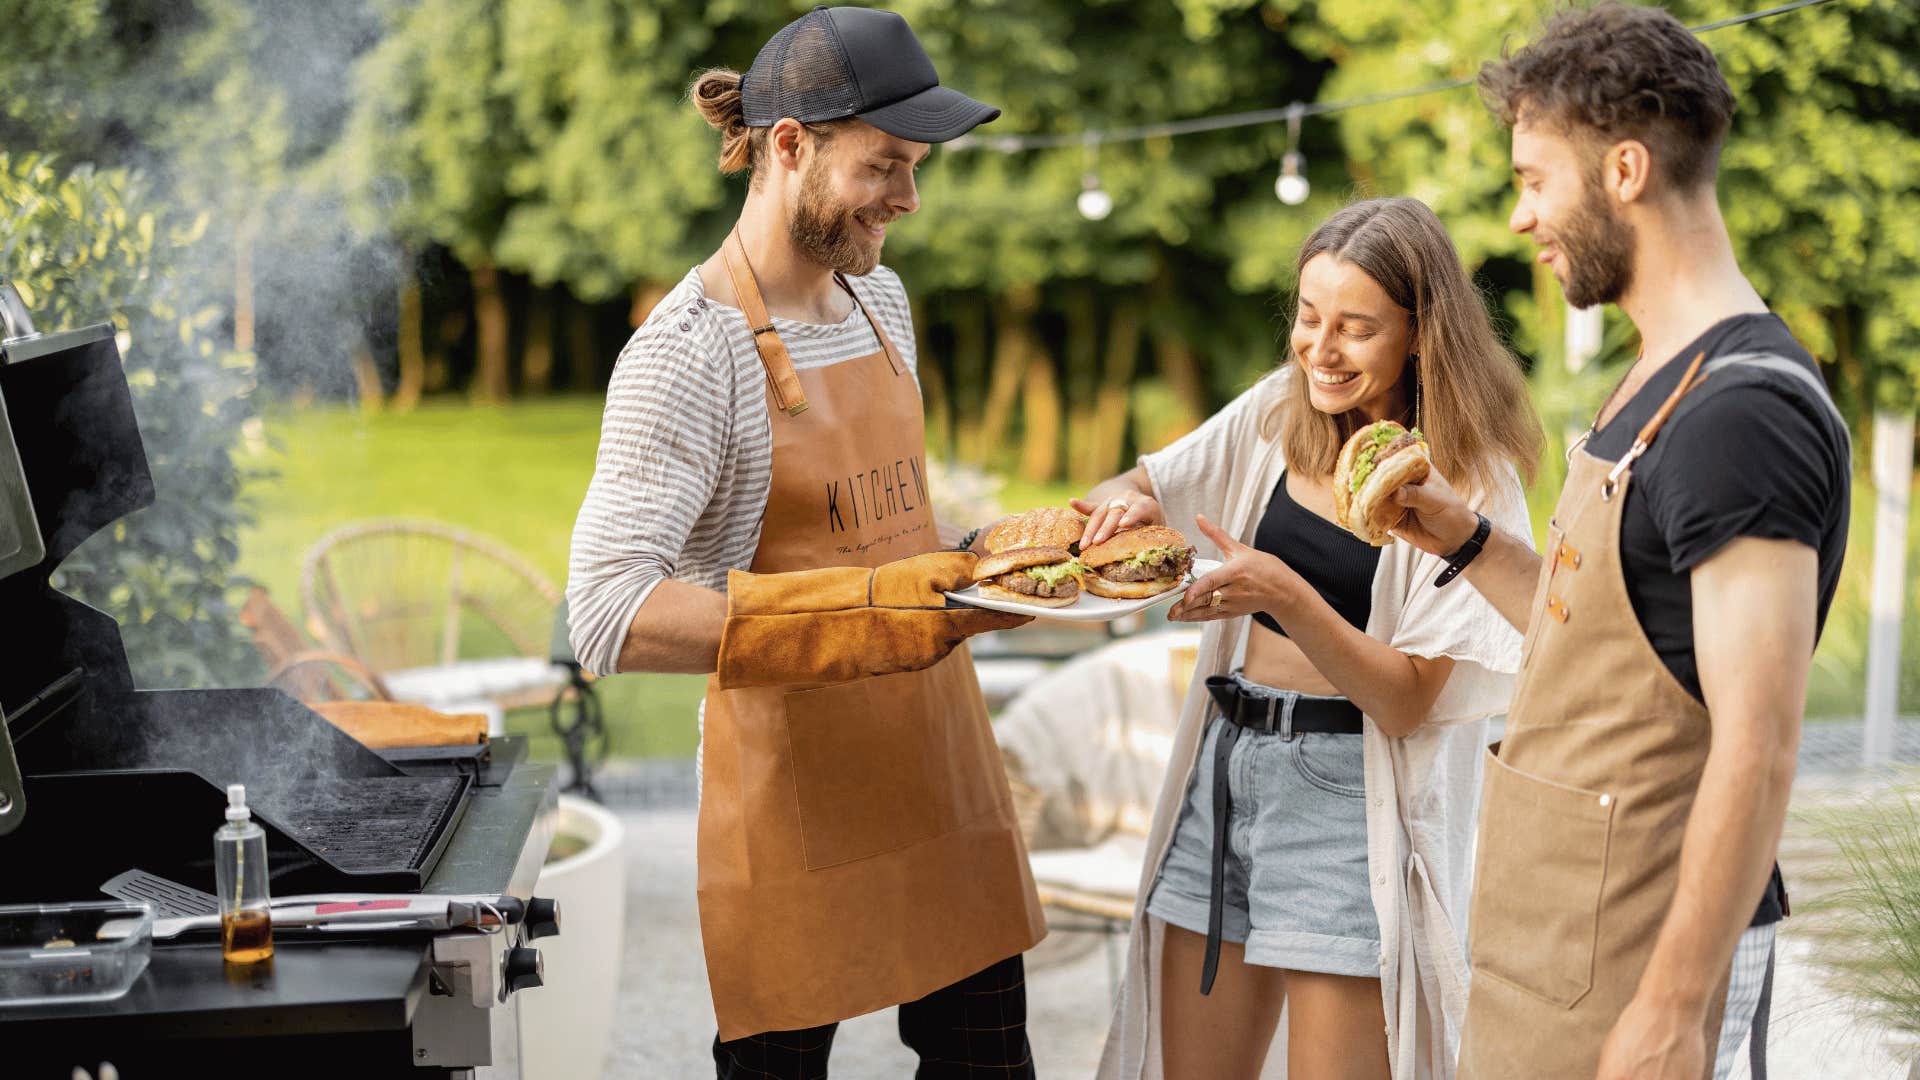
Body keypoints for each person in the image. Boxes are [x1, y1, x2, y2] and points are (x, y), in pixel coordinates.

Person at [564, 9, 1046, 1077]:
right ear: (791, 146)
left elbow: (894, 536)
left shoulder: (882, 298)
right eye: (885, 166)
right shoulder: (686, 354)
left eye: (916, 168)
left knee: (990, 1067)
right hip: (792, 794)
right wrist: (878, 614)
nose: (908, 200)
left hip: (935, 759)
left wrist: (1002, 570)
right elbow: (606, 610)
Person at [1391, 7, 1852, 1079]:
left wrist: (1676, 1008)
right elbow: (1598, 637)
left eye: (1535, 179)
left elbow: (1760, 741)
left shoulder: (1744, 416)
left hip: (1638, 968)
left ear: (1627, 170)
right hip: (1553, 946)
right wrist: (1460, 539)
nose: (1519, 218)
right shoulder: (1655, 377)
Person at [1090, 197, 1544, 1080]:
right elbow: (1144, 482)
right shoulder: (1277, 409)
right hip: (1222, 771)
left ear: (1421, 333)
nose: (1319, 351)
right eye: (1308, 317)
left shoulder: (1466, 479)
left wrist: (1286, 595)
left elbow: (1406, 701)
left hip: (1344, 799)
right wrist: (1132, 506)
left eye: (1355, 329)